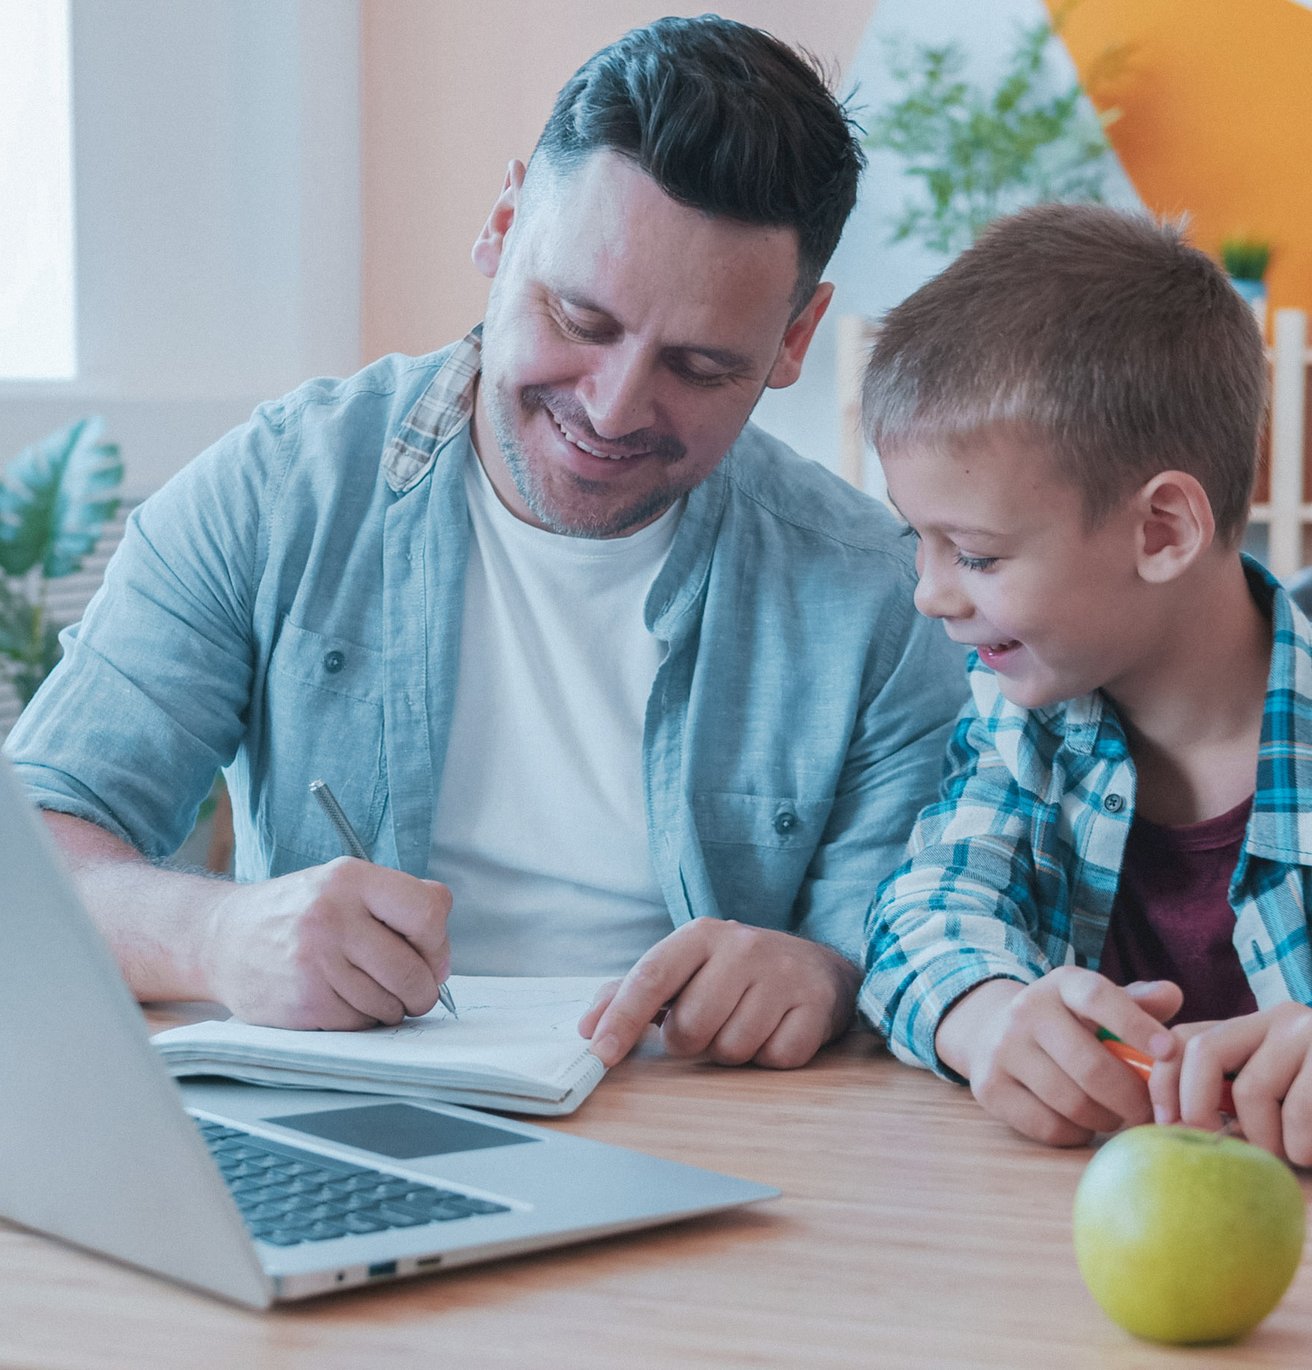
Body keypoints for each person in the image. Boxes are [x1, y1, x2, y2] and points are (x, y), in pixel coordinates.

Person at [6, 16, 965, 1070]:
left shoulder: (880, 595)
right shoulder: (279, 492)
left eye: (697, 366)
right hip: (349, 1121)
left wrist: (824, 976)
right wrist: (221, 934)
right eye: (580, 319)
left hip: (721, 1148)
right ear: (503, 226)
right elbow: (30, 855)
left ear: (792, 340)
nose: (611, 406)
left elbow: (908, 943)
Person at [858, 202, 1312, 1163]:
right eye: (919, 540)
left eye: (974, 555)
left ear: (1161, 531)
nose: (929, 594)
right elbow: (922, 909)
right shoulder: (1027, 719)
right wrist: (989, 1019)